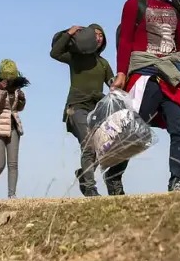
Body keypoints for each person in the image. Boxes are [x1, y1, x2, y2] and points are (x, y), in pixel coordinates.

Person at [114, 0, 180, 192]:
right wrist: (121, 72)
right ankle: (114, 176)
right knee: (135, 128)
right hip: (145, 74)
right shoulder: (134, 4)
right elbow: (126, 40)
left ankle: (176, 180)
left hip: (172, 75)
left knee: (179, 128)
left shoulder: (175, 8)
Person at [50, 23, 126, 197]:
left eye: (101, 35)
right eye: (95, 34)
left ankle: (84, 175)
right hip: (76, 107)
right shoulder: (75, 57)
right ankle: (90, 187)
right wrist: (69, 33)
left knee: (102, 146)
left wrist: (119, 83)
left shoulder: (103, 63)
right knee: (89, 143)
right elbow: (55, 53)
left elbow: (112, 84)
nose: (98, 37)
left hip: (96, 110)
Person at [0, 59, 27, 200]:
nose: (10, 81)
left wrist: (21, 100)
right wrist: (0, 91)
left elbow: (17, 108)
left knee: (13, 164)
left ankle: (12, 195)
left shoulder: (16, 86)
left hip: (13, 127)